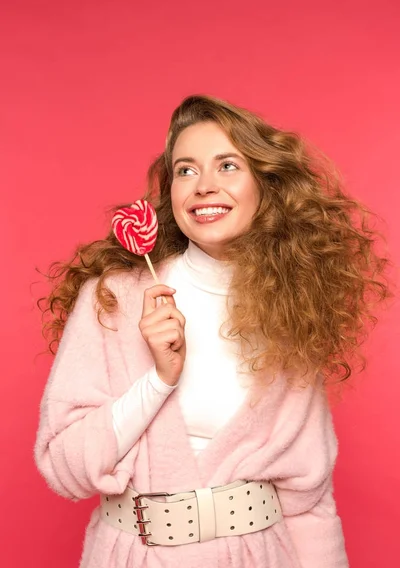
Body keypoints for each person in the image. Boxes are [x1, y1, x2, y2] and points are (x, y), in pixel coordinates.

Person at [34, 94, 393, 568]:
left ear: (264, 186)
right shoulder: (113, 298)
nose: (204, 185)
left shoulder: (291, 311)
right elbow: (65, 468)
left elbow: (309, 503)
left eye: (227, 166)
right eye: (186, 170)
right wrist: (158, 380)